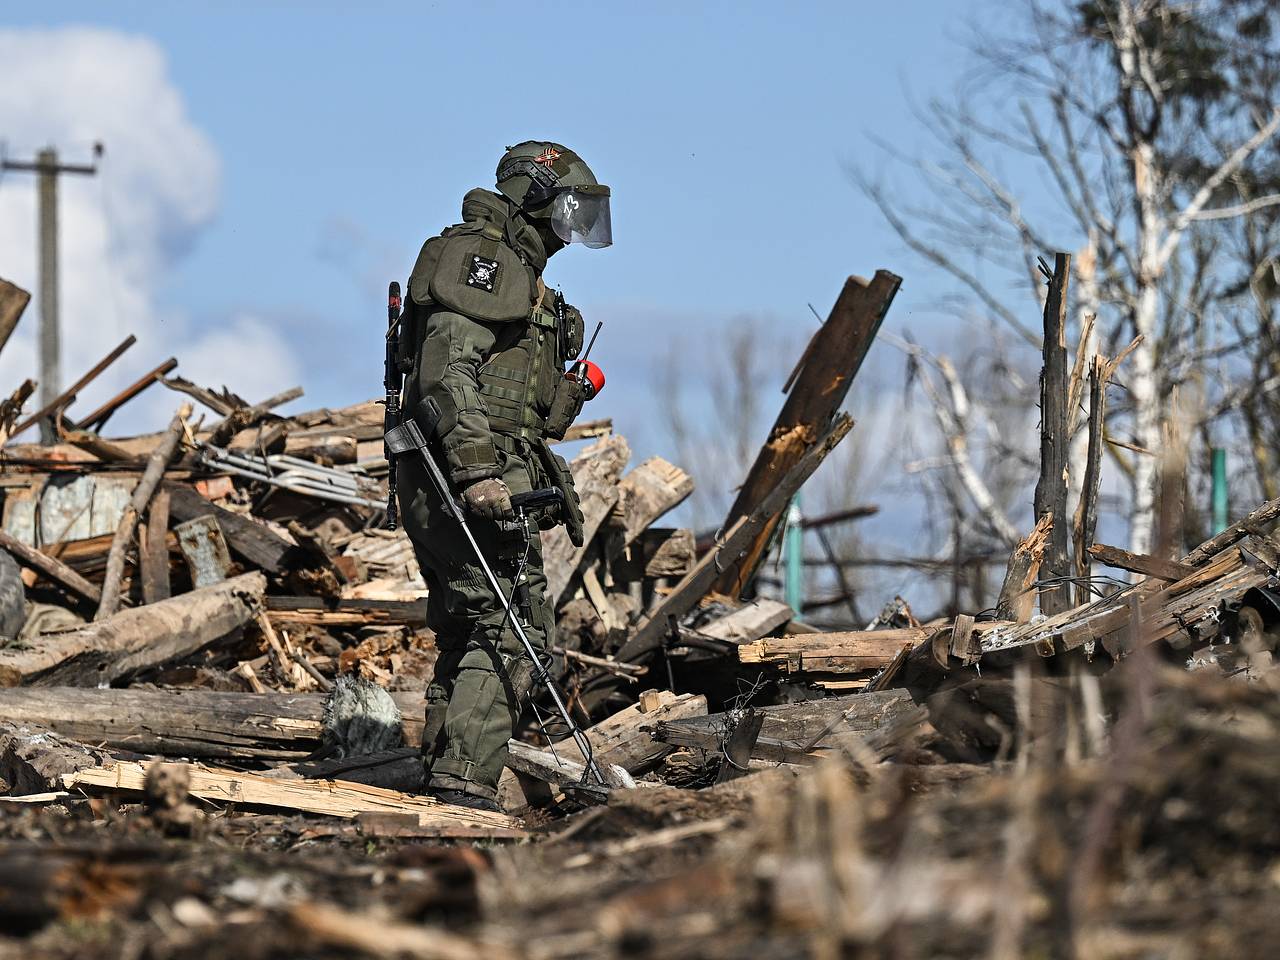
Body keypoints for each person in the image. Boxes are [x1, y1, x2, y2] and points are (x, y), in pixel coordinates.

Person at [395, 141, 611, 811]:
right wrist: (477, 472)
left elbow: (530, 409)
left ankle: (439, 778)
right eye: (567, 213)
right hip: (466, 479)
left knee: (471, 628)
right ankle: (463, 791)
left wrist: (573, 388)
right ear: (536, 199)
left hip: (478, 477)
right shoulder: (483, 262)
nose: (572, 232)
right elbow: (446, 373)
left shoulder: (521, 273)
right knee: (511, 630)